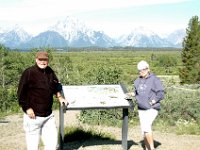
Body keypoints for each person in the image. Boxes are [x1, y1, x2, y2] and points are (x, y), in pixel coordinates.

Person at [17, 51, 68, 150]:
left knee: (52, 145)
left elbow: (56, 85)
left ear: (48, 61)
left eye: (45, 60)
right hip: (33, 116)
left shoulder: (50, 71)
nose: (42, 62)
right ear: (36, 60)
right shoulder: (29, 72)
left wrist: (60, 97)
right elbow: (21, 93)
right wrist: (27, 108)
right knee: (33, 147)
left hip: (48, 116)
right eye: (40, 60)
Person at [127, 60, 164, 150]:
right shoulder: (137, 81)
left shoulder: (155, 79)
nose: (142, 71)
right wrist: (131, 94)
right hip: (141, 108)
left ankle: (152, 148)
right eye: (140, 70)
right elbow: (137, 93)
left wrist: (152, 102)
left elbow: (161, 93)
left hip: (152, 108)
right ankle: (147, 148)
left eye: (144, 69)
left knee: (146, 127)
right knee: (144, 130)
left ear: (148, 69)